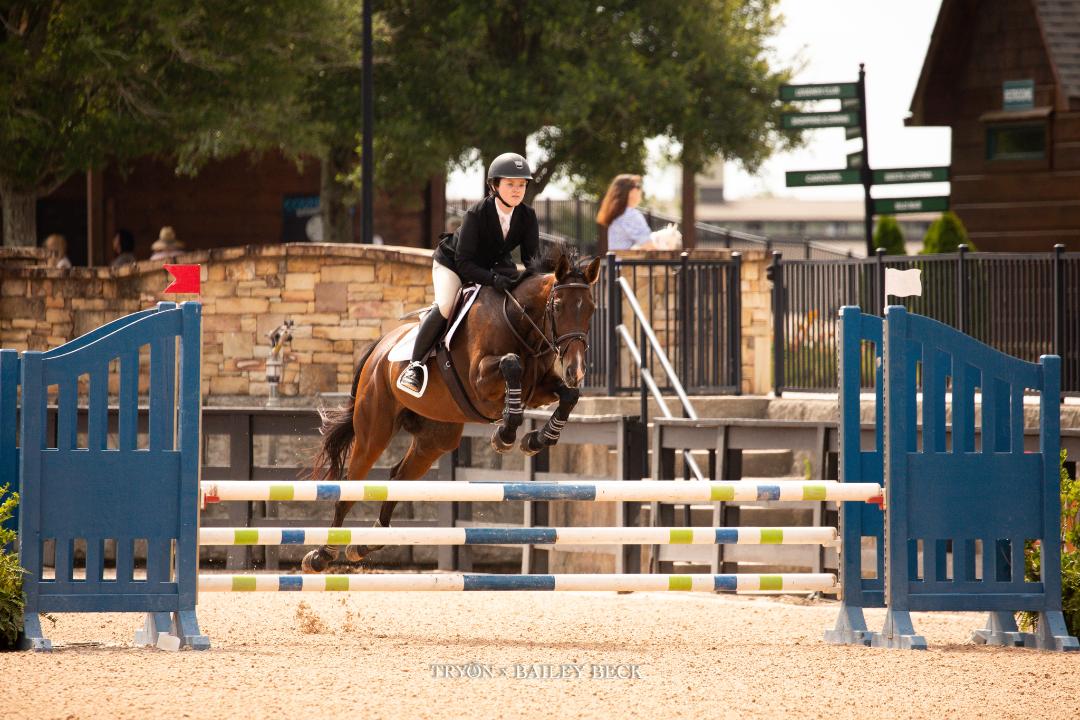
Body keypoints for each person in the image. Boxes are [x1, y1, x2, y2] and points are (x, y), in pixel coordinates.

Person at [396, 152, 540, 398]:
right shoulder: (476, 214)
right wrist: (494, 280)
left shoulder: (527, 216)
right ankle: (415, 366)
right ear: (495, 185)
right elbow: (465, 263)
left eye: (522, 185)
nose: (517, 190)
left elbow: (531, 261)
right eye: (510, 184)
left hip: (493, 265)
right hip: (453, 264)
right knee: (446, 305)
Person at [596, 174, 681, 251]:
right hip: (629, 267)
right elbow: (648, 245)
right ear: (630, 192)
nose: (641, 190)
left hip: (618, 266)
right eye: (638, 186)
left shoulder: (619, 215)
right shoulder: (630, 215)